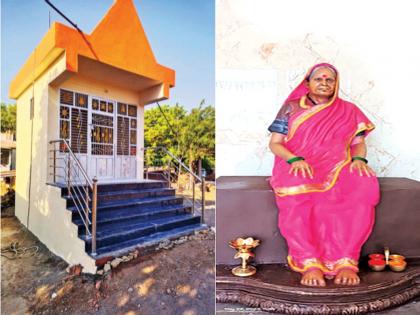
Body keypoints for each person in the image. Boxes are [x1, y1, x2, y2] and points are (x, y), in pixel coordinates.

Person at [268, 63, 380, 287]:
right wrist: (294, 159)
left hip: (337, 165)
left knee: (363, 184)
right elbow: (275, 144)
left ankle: (346, 259)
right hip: (297, 163)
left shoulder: (348, 110)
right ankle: (309, 261)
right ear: (307, 82)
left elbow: (358, 143)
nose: (324, 83)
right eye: (319, 79)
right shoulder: (290, 107)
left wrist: (358, 160)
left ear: (335, 84)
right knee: (297, 192)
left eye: (330, 80)